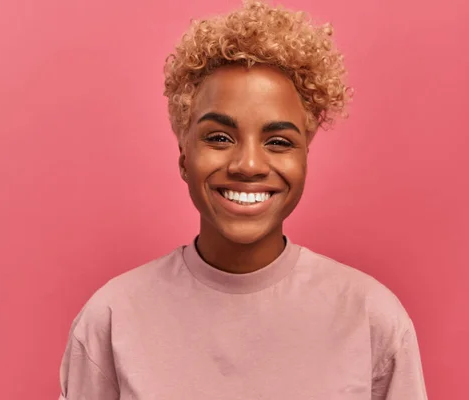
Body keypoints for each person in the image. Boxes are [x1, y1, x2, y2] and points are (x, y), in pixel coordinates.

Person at [58, 1, 427, 399]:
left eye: (278, 142)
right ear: (184, 155)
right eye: (219, 137)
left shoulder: (372, 319)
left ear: (305, 158)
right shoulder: (111, 320)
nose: (248, 164)